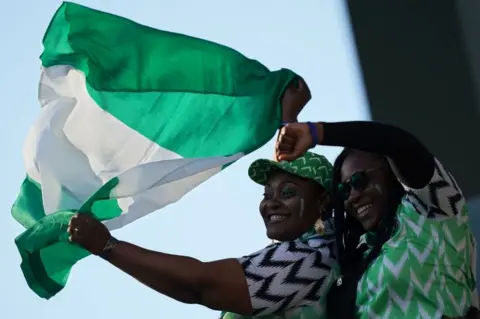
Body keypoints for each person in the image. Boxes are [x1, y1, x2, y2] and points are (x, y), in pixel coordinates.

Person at [67, 151, 338, 318]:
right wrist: (106, 248)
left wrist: (108, 246)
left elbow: (201, 284)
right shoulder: (298, 253)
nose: (271, 203)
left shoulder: (316, 257)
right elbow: (188, 288)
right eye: (266, 194)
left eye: (288, 193)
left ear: (323, 201)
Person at [275, 119, 478, 318]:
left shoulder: (432, 211)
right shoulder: (358, 254)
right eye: (344, 189)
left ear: (392, 174)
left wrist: (317, 132)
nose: (353, 196)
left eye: (359, 180)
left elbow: (400, 145)